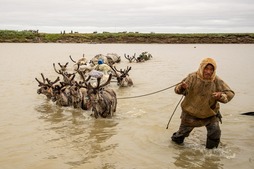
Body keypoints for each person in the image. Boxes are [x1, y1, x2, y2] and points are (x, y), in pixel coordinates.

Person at [171, 57, 235, 149]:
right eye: (206, 68)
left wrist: (220, 96)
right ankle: (174, 145)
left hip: (210, 113)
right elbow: (177, 90)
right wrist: (182, 87)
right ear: (201, 68)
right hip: (190, 113)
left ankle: (211, 154)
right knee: (180, 136)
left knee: (215, 132)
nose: (208, 72)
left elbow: (230, 93)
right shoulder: (192, 77)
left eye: (211, 69)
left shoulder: (217, 80)